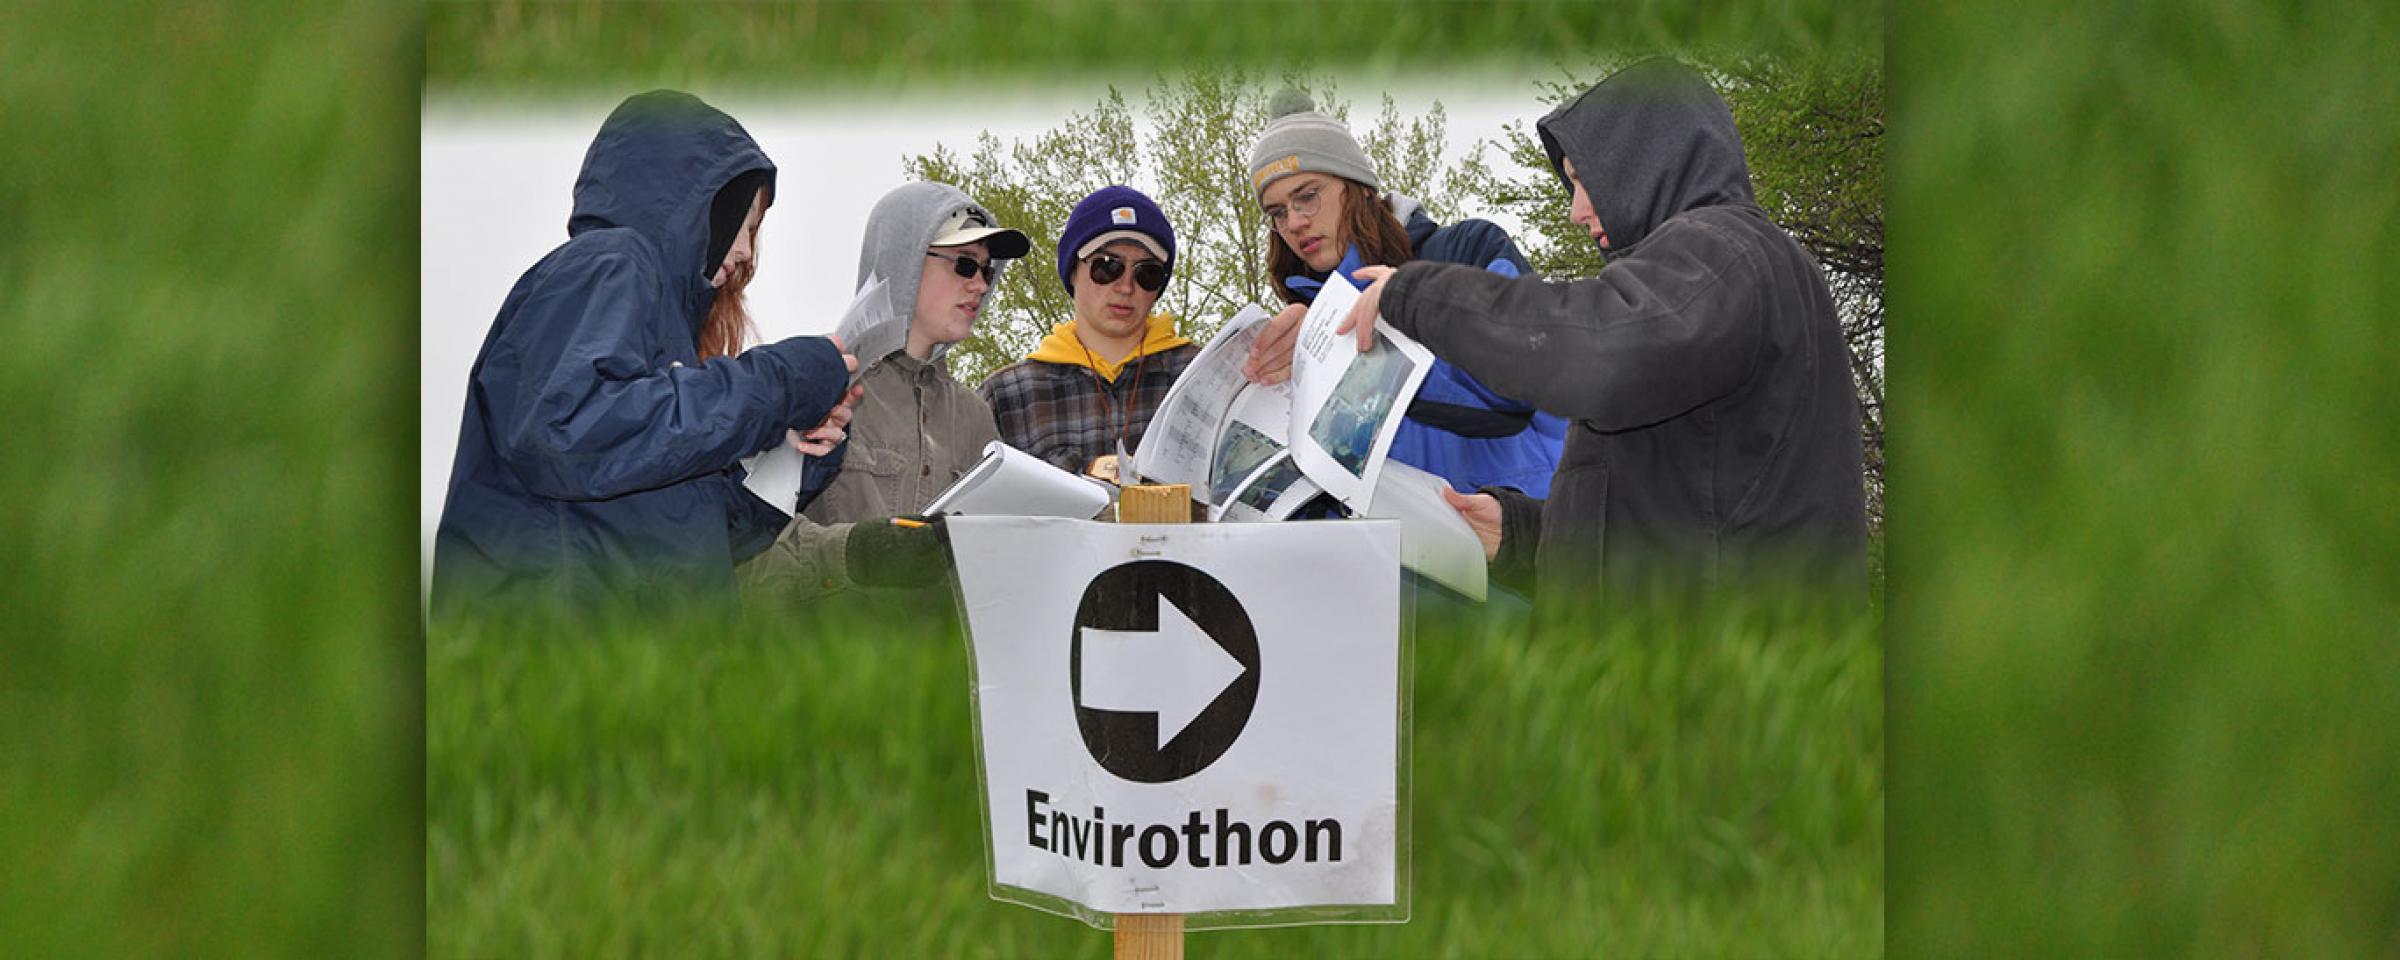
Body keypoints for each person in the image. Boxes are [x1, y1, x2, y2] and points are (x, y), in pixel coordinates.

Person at [1338, 59, 1870, 606]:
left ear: (1642, 161)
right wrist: (1522, 536)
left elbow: (1593, 352)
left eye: (1580, 179)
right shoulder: (1701, 277)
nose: (1575, 211)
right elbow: (1675, 523)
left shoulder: (1721, 251)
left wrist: (1417, 296)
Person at [431, 90, 857, 619]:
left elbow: (686, 539)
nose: (748, 251)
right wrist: (783, 382)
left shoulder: (663, 333)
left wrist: (795, 460)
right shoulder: (611, 261)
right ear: (699, 197)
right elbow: (568, 431)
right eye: (745, 225)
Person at [1239, 88, 1565, 499]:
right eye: (1278, 213)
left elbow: (1519, 386)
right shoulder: (1306, 319)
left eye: (1308, 196)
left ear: (1358, 188)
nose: (1296, 222)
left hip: (1516, 534)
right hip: (1391, 549)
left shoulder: (1469, 249)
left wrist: (1369, 357)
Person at [737, 181, 1030, 604]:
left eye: (988, 270)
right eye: (965, 265)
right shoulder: (809, 384)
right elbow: (739, 556)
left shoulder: (975, 416)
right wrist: (853, 554)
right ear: (903, 260)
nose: (981, 285)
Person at [979, 186, 1197, 477]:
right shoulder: (1007, 395)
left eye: (1147, 273)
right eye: (1107, 267)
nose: (1125, 287)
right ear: (1072, 271)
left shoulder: (1201, 376)